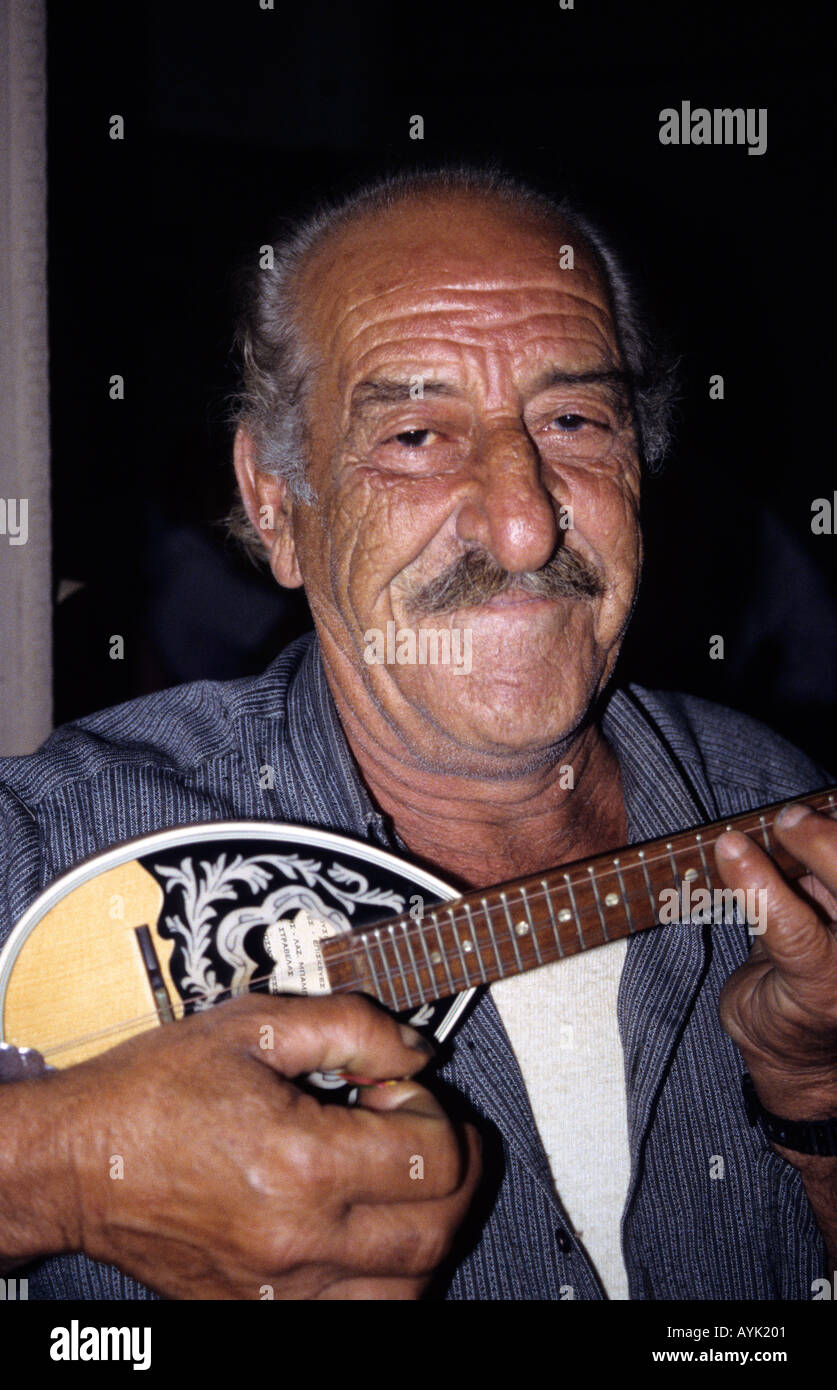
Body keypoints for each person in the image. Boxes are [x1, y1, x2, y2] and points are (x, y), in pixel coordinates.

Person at [1, 168, 835, 1301]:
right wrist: (62, 1171)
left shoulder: (770, 798)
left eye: (574, 420)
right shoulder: (55, 847)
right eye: (416, 433)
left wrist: (816, 1103)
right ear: (275, 505)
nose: (526, 522)